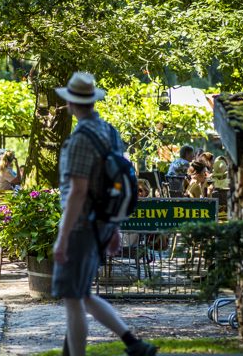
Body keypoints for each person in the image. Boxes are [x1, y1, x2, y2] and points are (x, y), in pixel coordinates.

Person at [51, 72, 155, 356]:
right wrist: (115, 228)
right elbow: (112, 185)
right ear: (93, 102)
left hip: (82, 228)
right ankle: (134, 344)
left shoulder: (79, 140)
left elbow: (79, 192)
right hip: (103, 225)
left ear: (71, 103)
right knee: (82, 293)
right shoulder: (110, 133)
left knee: (73, 299)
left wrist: (62, 239)